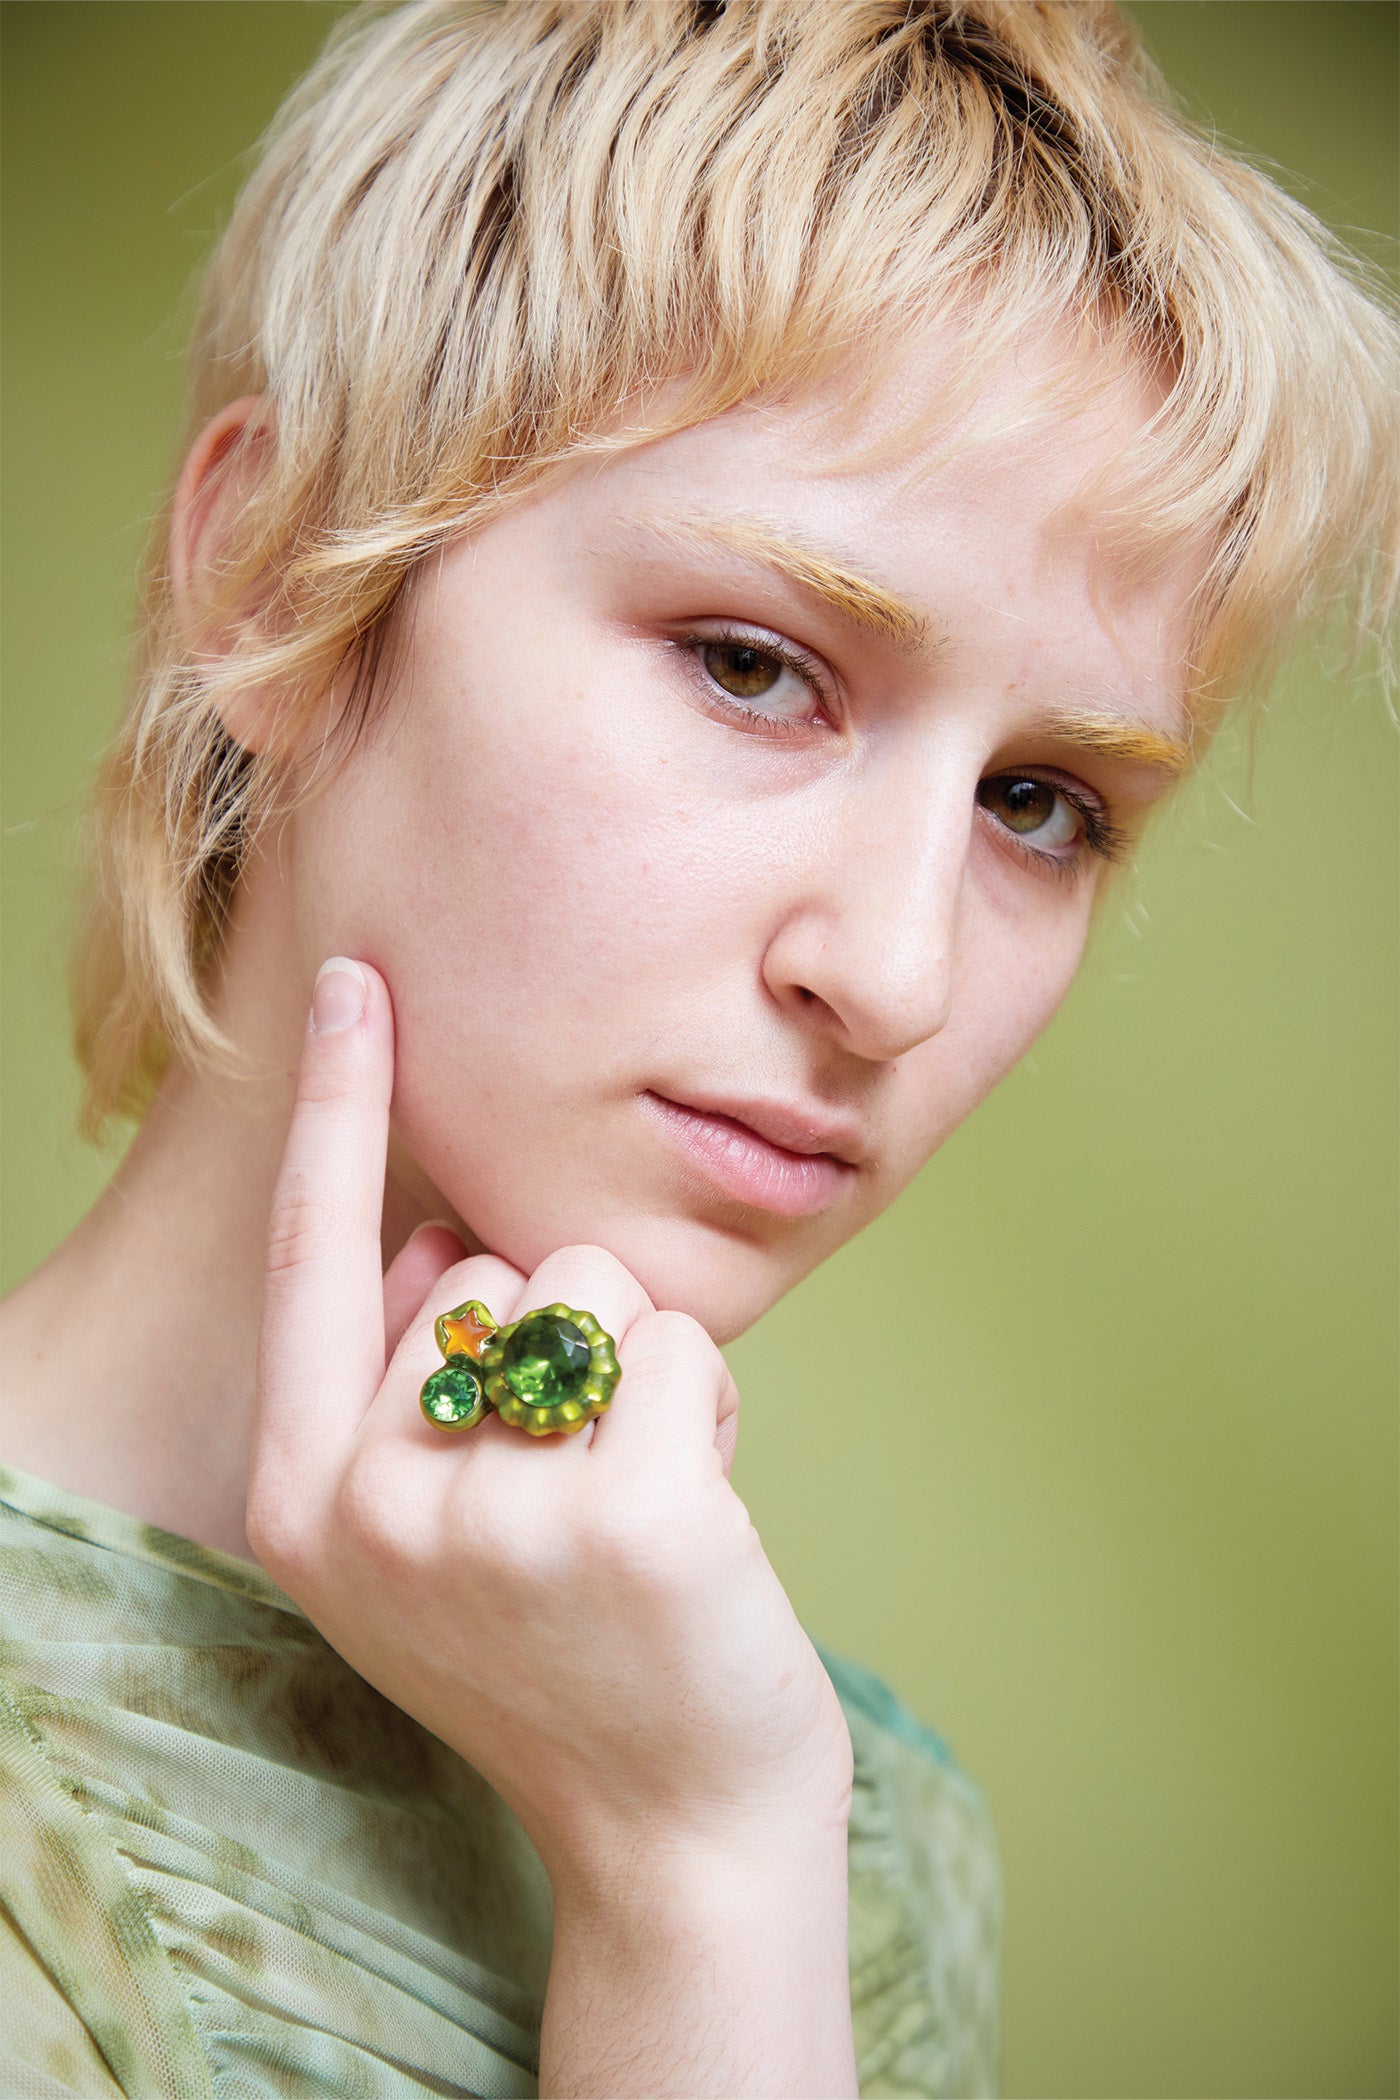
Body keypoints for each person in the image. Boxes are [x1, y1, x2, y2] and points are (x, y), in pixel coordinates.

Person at [1, 1, 1394, 2094]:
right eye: (754, 667)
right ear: (276, 572)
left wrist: (703, 1878)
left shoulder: (843, 1827)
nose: (897, 973)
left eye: (1041, 804)